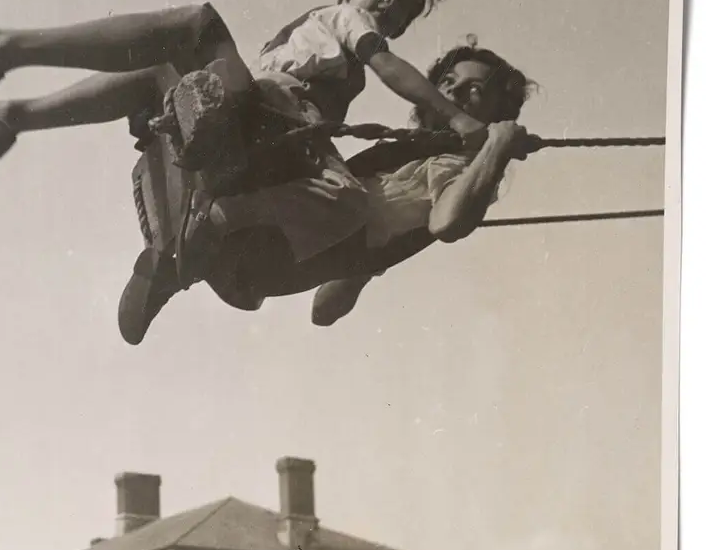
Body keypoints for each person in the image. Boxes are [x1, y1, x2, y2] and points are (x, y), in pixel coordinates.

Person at [0, 0, 492, 325]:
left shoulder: (327, 46)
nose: (391, 6)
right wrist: (457, 119)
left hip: (270, 132)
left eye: (403, 11)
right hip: (264, 120)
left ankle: (4, 91)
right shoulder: (343, 22)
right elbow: (392, 69)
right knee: (185, 39)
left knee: (174, 50)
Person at [119, 39, 536, 342]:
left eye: (476, 91)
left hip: (273, 255)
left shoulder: (462, 169)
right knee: (279, 130)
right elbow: (324, 310)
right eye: (448, 81)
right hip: (255, 257)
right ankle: (178, 256)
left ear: (497, 116)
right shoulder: (397, 156)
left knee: (294, 124)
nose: (456, 92)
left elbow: (447, 223)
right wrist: (365, 269)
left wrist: (497, 147)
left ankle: (209, 218)